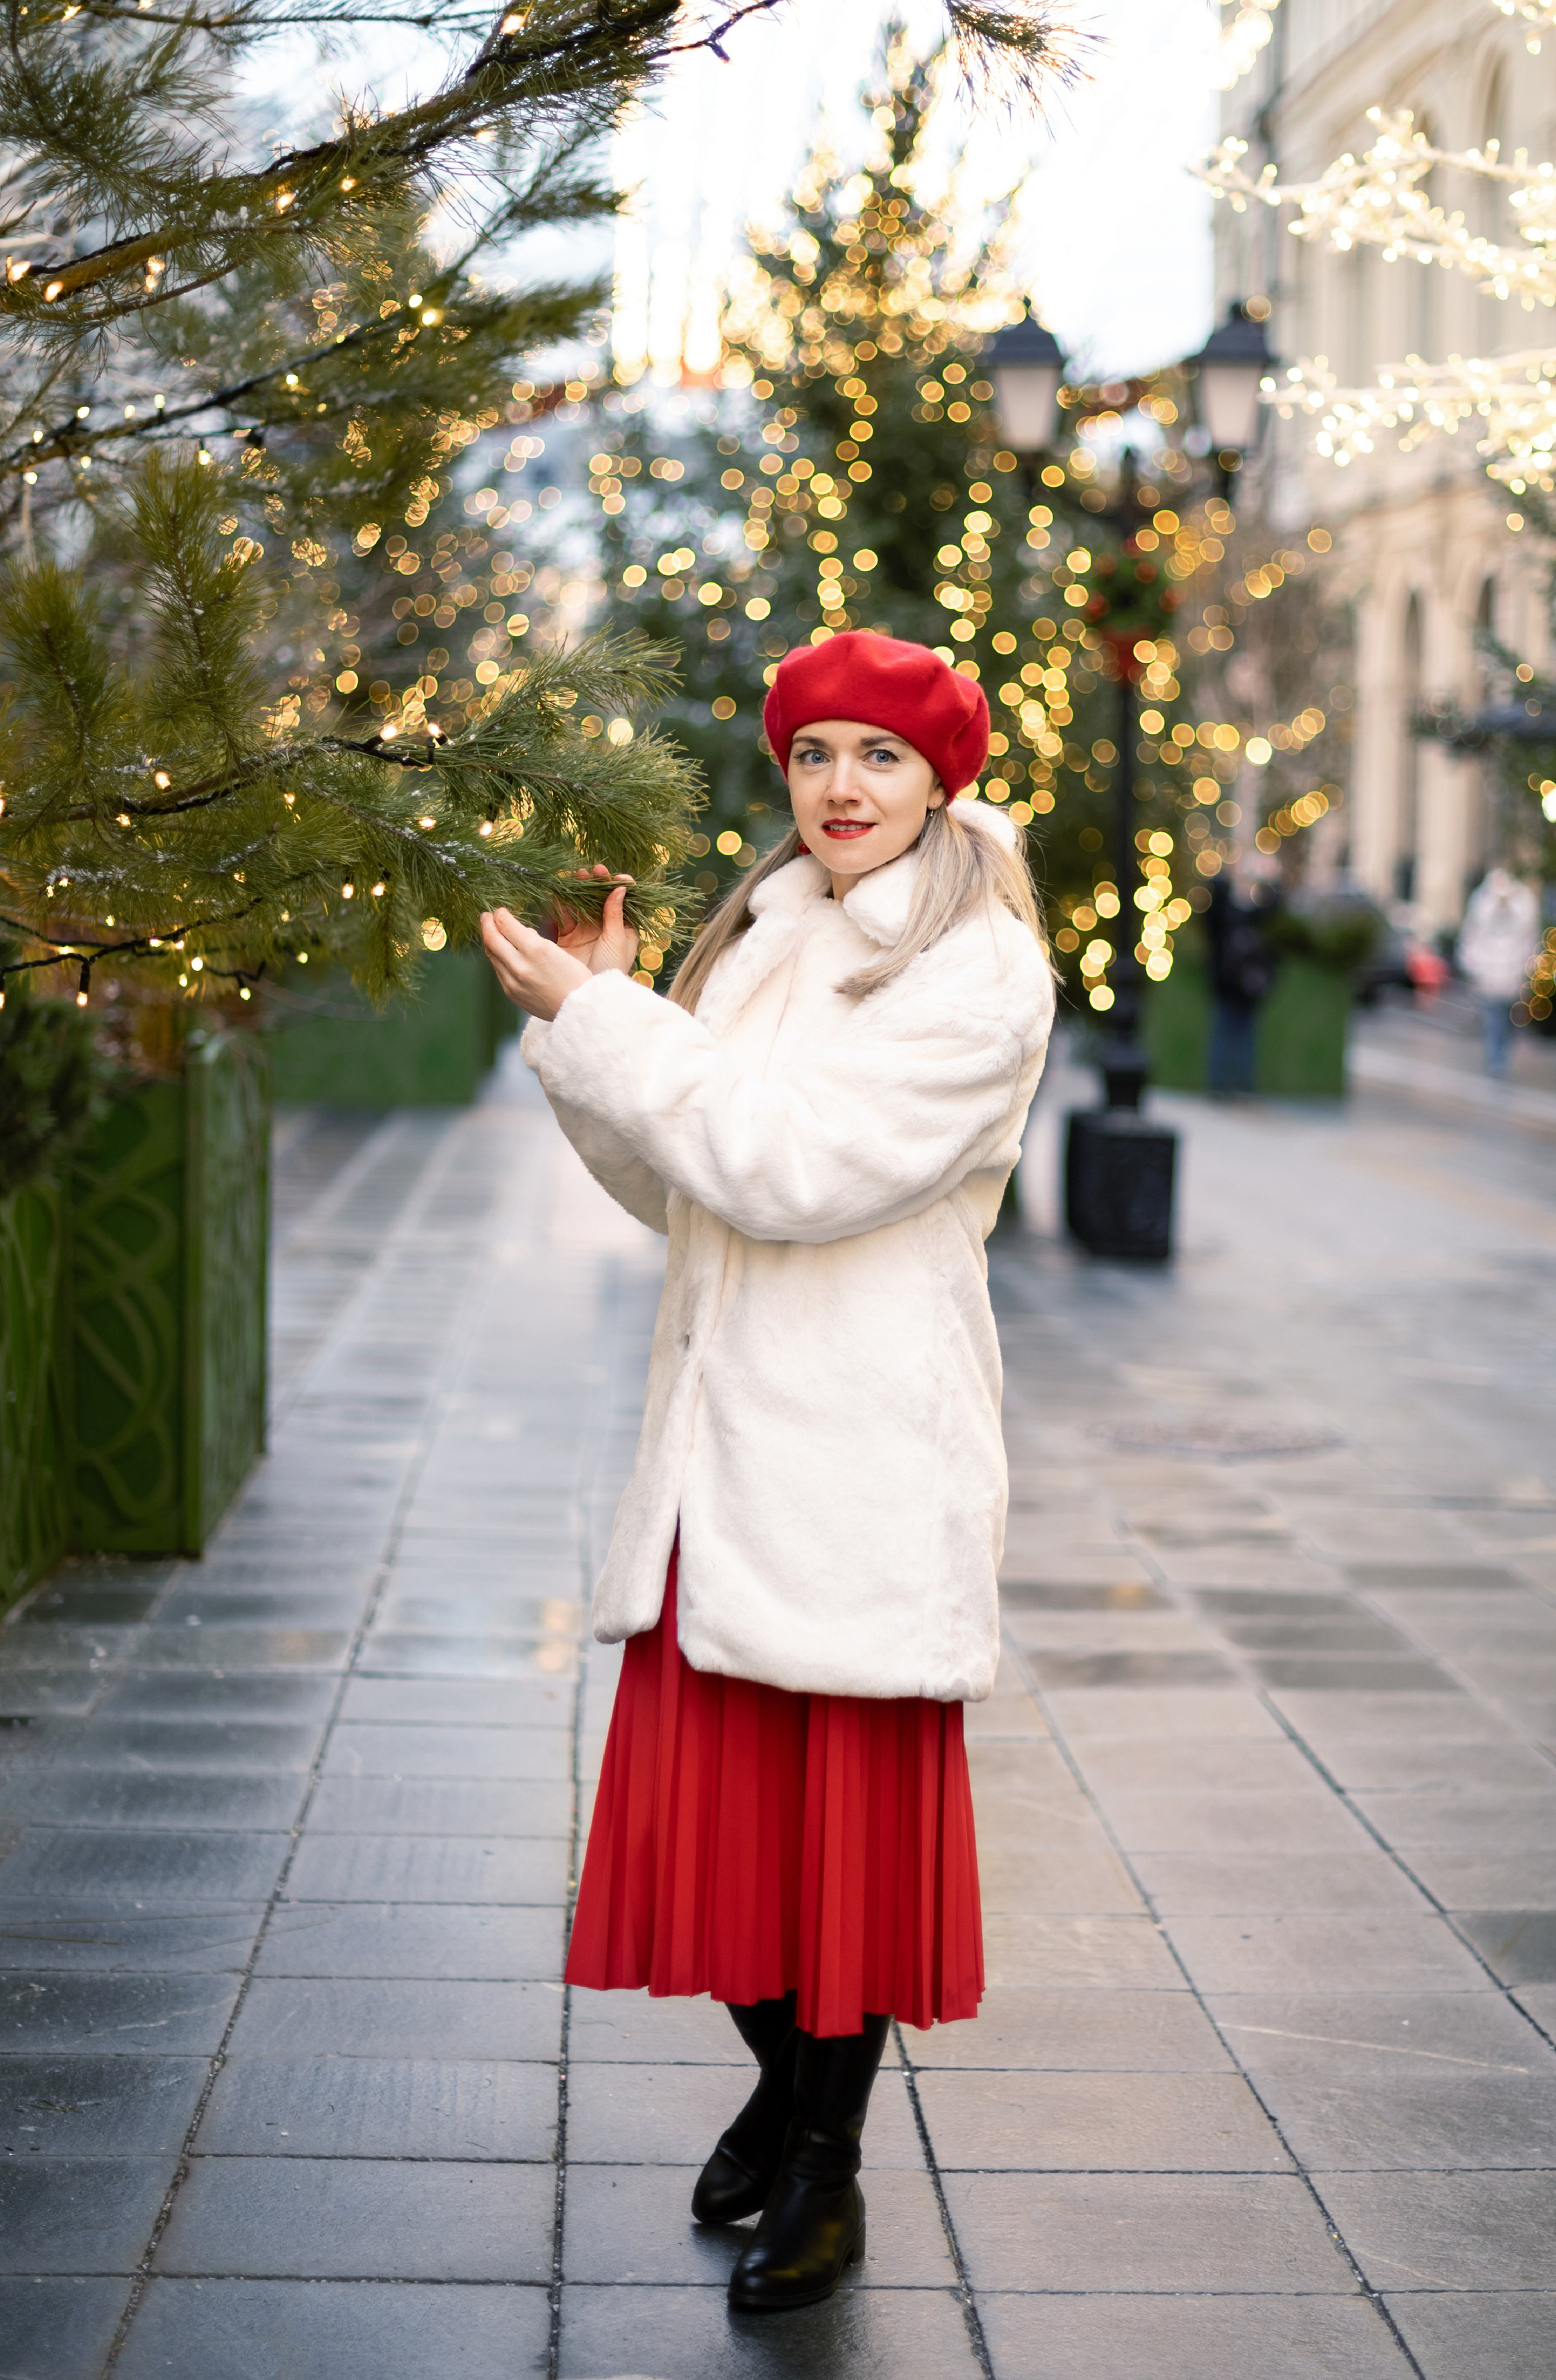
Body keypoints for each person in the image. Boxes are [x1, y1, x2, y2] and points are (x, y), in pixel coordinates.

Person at [479, 631, 1055, 2314]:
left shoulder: (975, 967)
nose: (841, 789)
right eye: (813, 756)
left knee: (840, 1861)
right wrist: (595, 1036)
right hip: (718, 1443)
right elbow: (686, 1181)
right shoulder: (762, 938)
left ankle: (827, 2169)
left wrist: (606, 1023)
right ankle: (780, 2091)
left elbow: (790, 1168)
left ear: (940, 778)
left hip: (858, 1448)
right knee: (721, 1837)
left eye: (877, 757)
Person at [1455, 865, 1541, 1077]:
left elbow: (1529, 939)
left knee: (1509, 1017)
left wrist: (1528, 967)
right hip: (1490, 974)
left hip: (1512, 974)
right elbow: (1472, 938)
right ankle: (1496, 1058)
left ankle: (1500, 1055)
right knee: (1493, 1016)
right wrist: (1473, 965)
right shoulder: (1483, 905)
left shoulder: (1522, 906)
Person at [1204, 859, 1279, 1095]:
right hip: (1235, 989)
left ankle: (1233, 1085)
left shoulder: (1235, 918)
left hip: (1238, 990)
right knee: (1233, 1037)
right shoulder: (1232, 918)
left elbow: (1271, 909)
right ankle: (1231, 1085)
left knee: (1233, 1037)